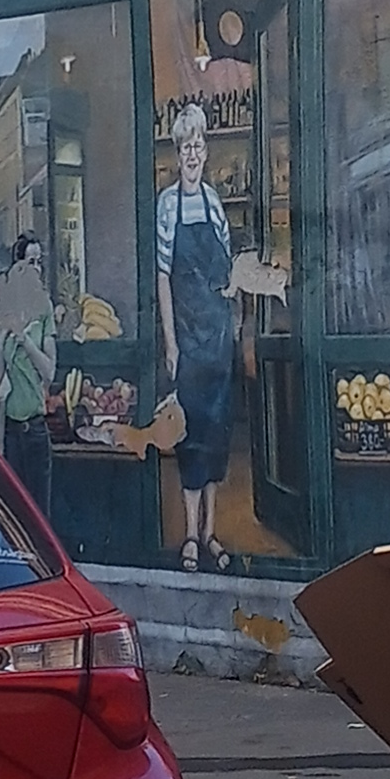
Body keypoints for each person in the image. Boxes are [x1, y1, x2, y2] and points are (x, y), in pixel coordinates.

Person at [156, 98, 238, 570]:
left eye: (199, 145)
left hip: (218, 338)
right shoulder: (167, 205)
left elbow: (225, 271)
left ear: (206, 151)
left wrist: (235, 301)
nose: (192, 154)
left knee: (217, 435)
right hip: (187, 341)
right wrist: (171, 343)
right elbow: (162, 276)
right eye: (186, 146)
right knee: (190, 436)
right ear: (177, 152)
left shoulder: (214, 203)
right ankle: (189, 533)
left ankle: (211, 532)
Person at [0, 235, 59, 519]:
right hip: (10, 430)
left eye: (39, 262)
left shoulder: (45, 310)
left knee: (39, 515)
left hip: (35, 430)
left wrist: (26, 341)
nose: (36, 269)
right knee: (13, 514)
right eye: (31, 262)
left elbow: (50, 372)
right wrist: (3, 336)